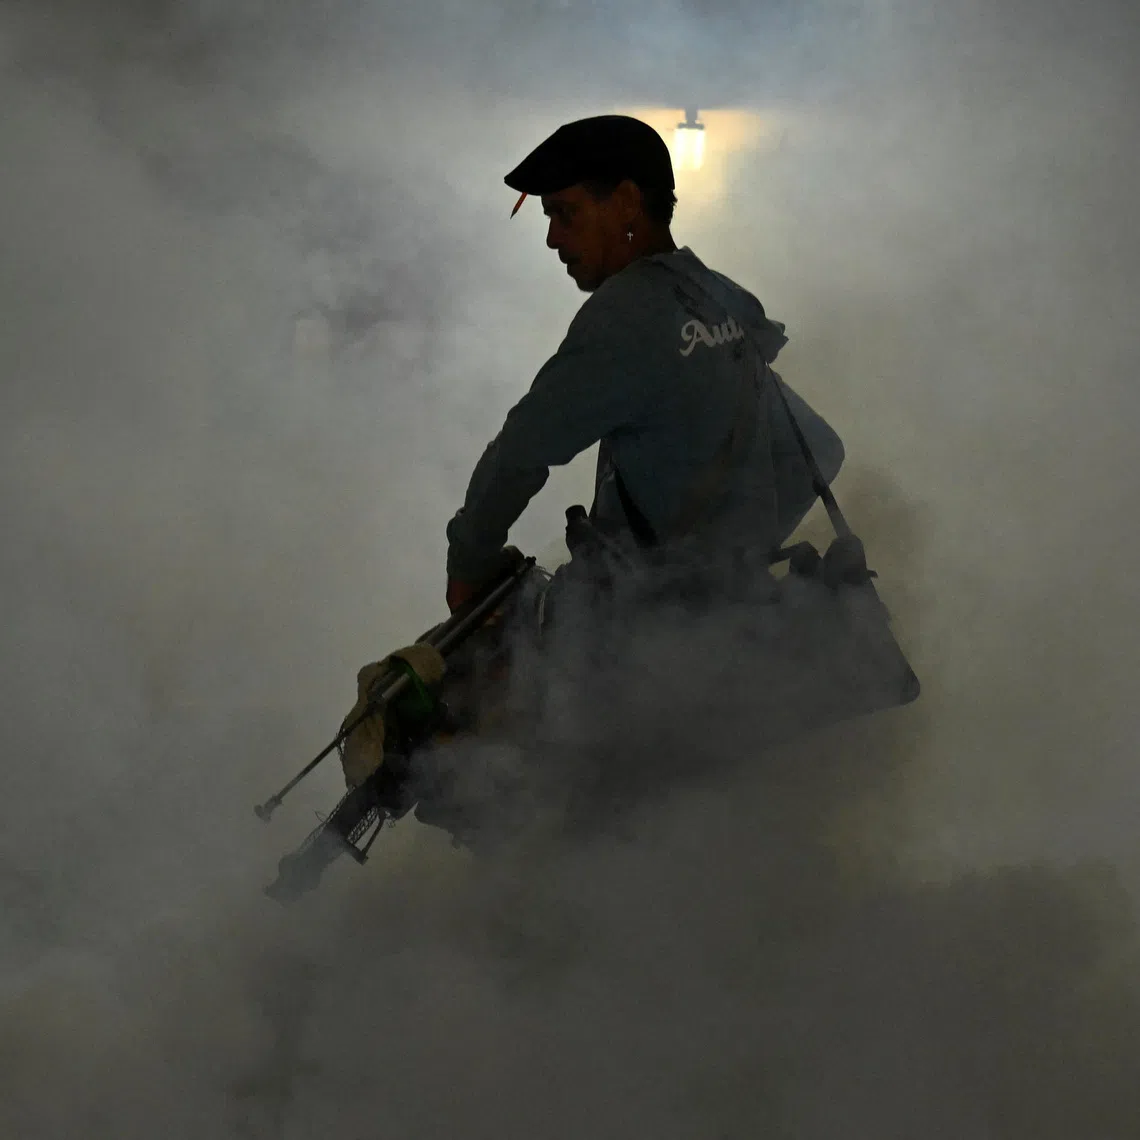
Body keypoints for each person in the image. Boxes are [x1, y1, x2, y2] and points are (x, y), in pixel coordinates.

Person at [444, 115, 844, 621]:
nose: (552, 238)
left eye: (566, 214)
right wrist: (730, 559)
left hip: (641, 642)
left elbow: (519, 454)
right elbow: (823, 449)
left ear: (628, 203)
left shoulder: (628, 314)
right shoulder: (719, 297)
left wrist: (469, 565)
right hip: (736, 621)